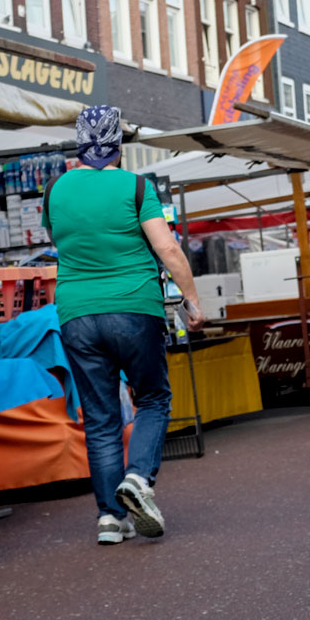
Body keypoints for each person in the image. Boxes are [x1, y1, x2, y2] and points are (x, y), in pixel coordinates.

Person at [43, 106, 204, 543]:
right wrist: (191, 300)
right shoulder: (136, 187)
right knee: (152, 398)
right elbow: (167, 249)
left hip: (76, 312)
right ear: (119, 143)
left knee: (99, 417)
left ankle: (110, 519)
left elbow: (58, 241)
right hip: (135, 307)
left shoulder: (55, 188)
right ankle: (137, 479)